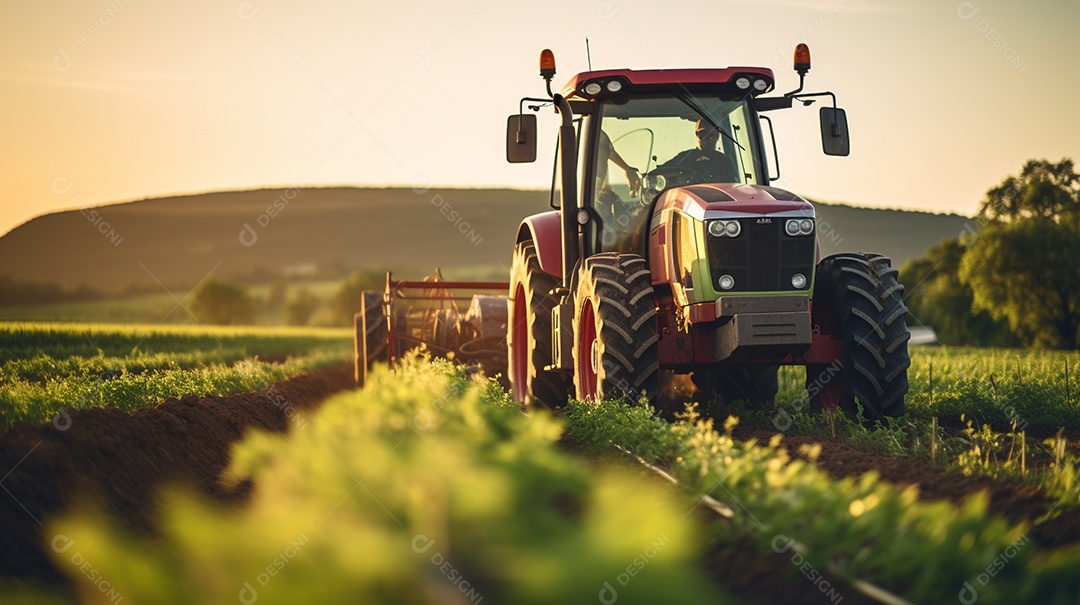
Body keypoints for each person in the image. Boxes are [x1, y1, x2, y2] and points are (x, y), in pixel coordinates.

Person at [660, 119, 739, 184]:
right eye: (703, 134)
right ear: (696, 134)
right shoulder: (684, 158)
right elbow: (660, 173)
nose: (707, 139)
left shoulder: (724, 161)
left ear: (717, 136)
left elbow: (733, 187)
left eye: (710, 135)